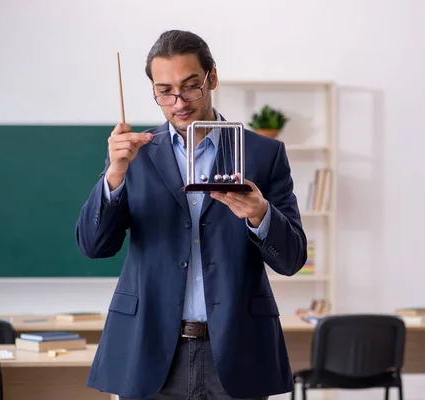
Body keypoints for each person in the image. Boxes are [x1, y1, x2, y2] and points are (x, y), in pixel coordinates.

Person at [75, 29, 308, 400]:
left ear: (212, 77)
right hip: (149, 350)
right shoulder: (133, 155)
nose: (178, 101)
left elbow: (293, 259)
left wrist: (260, 214)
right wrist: (114, 175)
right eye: (165, 91)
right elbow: (94, 246)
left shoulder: (263, 154)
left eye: (191, 85)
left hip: (237, 350)